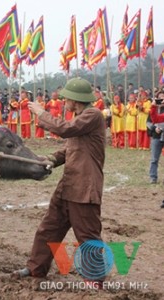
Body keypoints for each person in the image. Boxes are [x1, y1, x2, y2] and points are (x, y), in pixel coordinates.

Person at [14, 78, 106, 283]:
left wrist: (41, 113)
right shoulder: (81, 118)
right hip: (68, 185)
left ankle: (95, 282)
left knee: (88, 236)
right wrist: (51, 159)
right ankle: (35, 268)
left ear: (76, 99)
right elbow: (70, 148)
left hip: (84, 188)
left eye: (67, 98)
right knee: (49, 228)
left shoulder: (92, 115)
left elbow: (64, 129)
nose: (64, 101)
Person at [148, 91, 164, 186]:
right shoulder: (156, 109)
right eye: (160, 98)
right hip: (157, 136)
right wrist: (153, 107)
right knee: (154, 158)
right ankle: (153, 177)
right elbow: (155, 119)